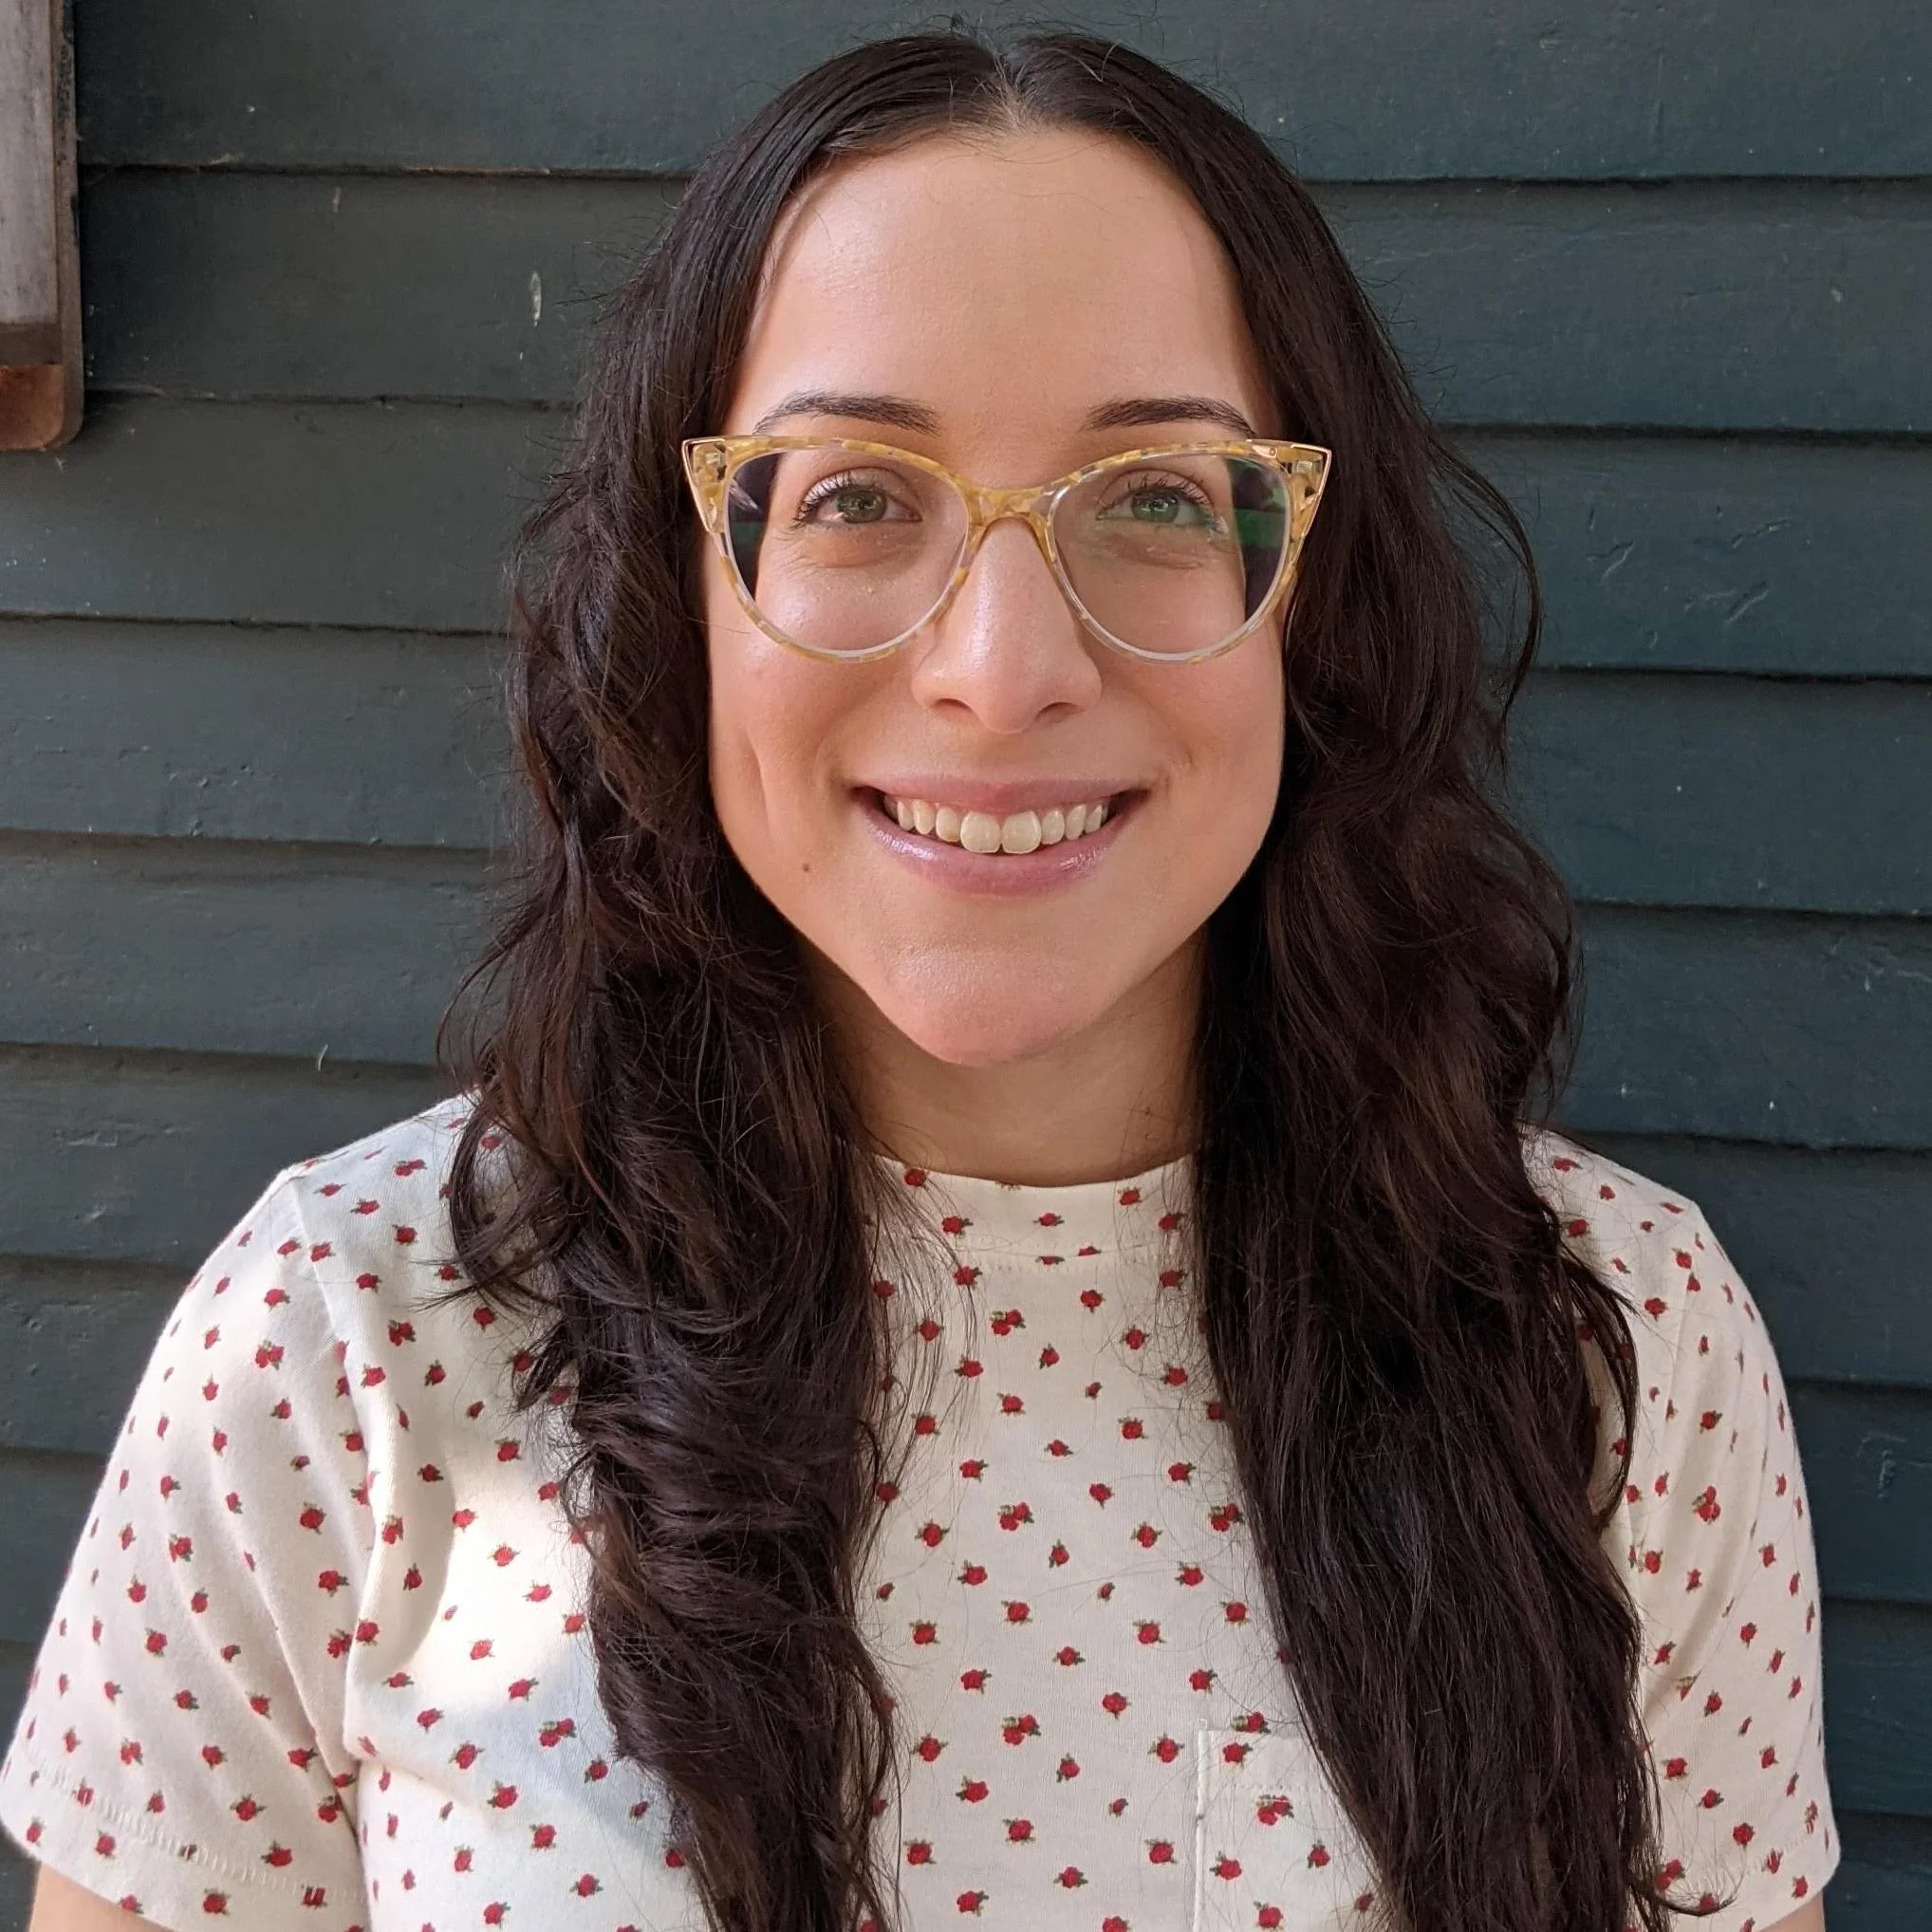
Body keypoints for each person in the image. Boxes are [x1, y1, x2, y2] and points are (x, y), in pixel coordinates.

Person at [3, 31, 1835, 1932]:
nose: (998, 664)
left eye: (1158, 494)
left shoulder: (1613, 1343)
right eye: (857, 494)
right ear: (681, 595)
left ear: (1312, 601)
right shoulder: (349, 1333)